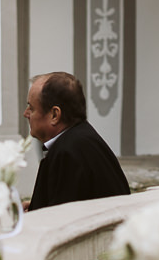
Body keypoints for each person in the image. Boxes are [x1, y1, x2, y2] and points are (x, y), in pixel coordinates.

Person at [24, 71, 130, 211]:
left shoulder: (69, 153)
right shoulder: (79, 140)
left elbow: (62, 218)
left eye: (31, 108)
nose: (25, 114)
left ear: (54, 115)